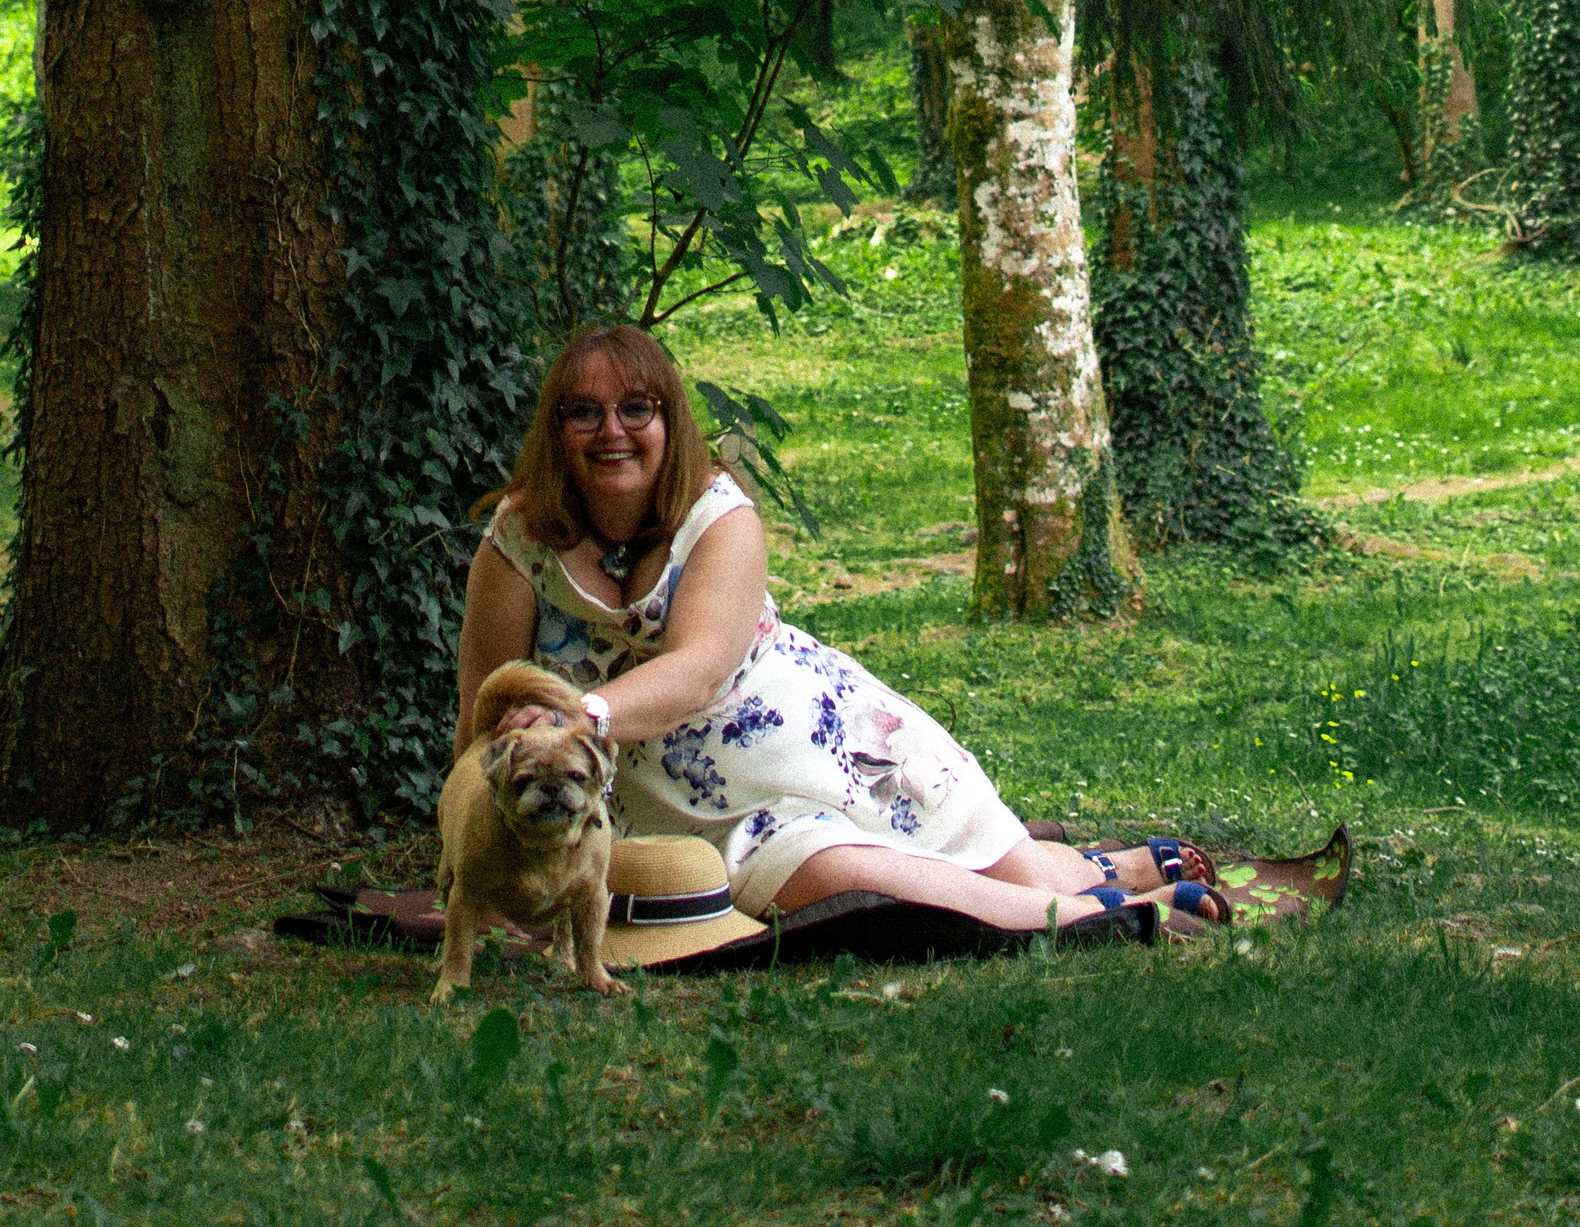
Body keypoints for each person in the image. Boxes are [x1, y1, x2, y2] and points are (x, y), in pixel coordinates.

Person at [455, 321, 1226, 938]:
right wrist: (465, 858)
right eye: (584, 411)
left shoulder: (718, 515)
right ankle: (1117, 916)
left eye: (636, 409)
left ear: (669, 420)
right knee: (854, 877)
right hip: (697, 813)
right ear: (557, 430)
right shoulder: (519, 540)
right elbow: (480, 712)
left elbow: (695, 670)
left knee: (1001, 862)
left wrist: (577, 714)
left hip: (823, 741)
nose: (611, 431)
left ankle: (1105, 868)